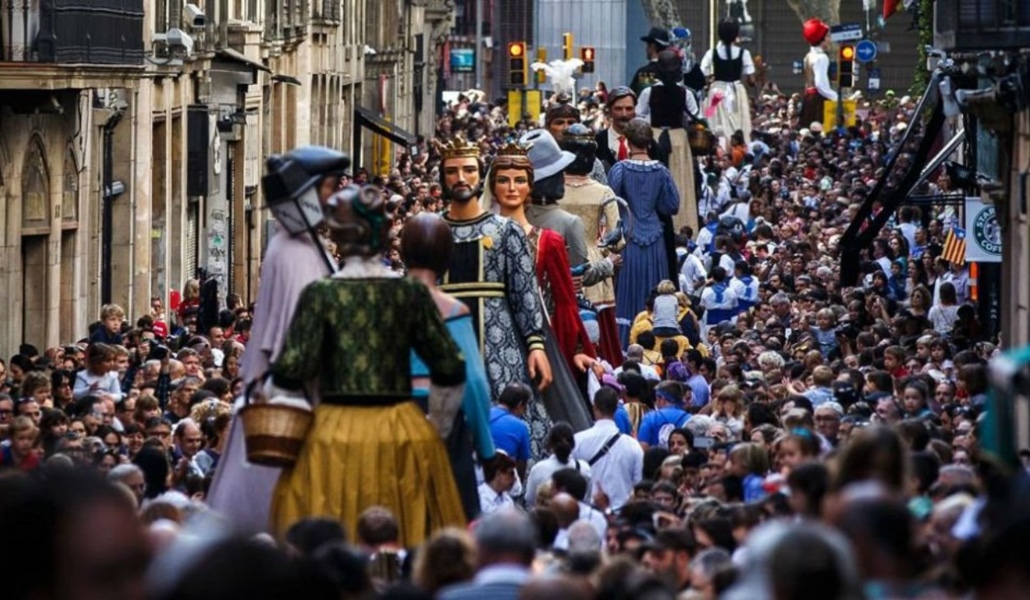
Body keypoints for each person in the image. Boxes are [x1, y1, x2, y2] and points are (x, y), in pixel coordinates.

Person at [268, 182, 467, 547]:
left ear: (340, 238)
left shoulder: (322, 294)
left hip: (332, 434)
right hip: (402, 430)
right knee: (409, 531)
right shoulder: (409, 294)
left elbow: (287, 373)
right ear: (384, 236)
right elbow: (451, 367)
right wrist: (435, 427)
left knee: (327, 532)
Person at [206, 145, 349, 534]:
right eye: (331, 188)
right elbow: (299, 343)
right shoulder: (293, 253)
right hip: (293, 406)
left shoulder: (300, 246)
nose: (337, 198)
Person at [437, 136, 554, 455]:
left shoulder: (505, 231)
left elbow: (524, 292)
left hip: (499, 345)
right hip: (444, 342)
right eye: (452, 171)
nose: (461, 178)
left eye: (469, 170)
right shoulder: (431, 230)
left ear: (480, 176)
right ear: (442, 178)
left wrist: (535, 345)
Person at [480, 139, 595, 432]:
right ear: (493, 186)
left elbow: (566, 300)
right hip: (489, 330)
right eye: (503, 180)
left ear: (530, 187)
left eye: (520, 181)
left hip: (541, 335)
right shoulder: (479, 239)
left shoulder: (549, 241)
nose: (511, 188)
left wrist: (578, 348)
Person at [404, 212, 497, 521]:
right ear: (446, 257)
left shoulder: (381, 304)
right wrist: (486, 449)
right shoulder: (452, 310)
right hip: (441, 425)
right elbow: (472, 382)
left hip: (390, 422)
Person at [609, 118, 681, 346]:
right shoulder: (661, 171)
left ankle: (624, 343)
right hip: (654, 239)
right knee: (655, 289)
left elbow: (610, 203)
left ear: (628, 142)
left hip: (628, 238)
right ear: (649, 142)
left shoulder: (620, 169)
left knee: (627, 292)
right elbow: (671, 205)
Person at [559, 123, 626, 366]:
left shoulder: (551, 189)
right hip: (595, 262)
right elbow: (618, 239)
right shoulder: (603, 191)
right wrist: (608, 255)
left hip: (558, 260)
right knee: (601, 338)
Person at [636, 49, 703, 236]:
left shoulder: (649, 92)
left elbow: (639, 115)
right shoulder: (684, 94)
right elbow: (696, 117)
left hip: (659, 137)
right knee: (679, 181)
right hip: (675, 139)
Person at [701, 20, 755, 147]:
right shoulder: (744, 54)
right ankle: (739, 148)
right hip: (737, 92)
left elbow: (703, 72)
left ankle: (718, 148)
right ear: (736, 34)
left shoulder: (712, 53)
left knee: (714, 121)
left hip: (717, 92)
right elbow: (751, 80)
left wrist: (709, 82)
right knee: (739, 123)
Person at [798, 17, 838, 129]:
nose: (830, 39)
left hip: (808, 98)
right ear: (822, 39)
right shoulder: (822, 57)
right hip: (818, 101)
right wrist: (836, 98)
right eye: (828, 36)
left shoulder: (808, 56)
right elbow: (820, 84)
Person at [631, 27, 674, 96]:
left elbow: (633, 96)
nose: (646, 49)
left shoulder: (643, 73)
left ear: (652, 46)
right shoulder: (672, 73)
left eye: (647, 45)